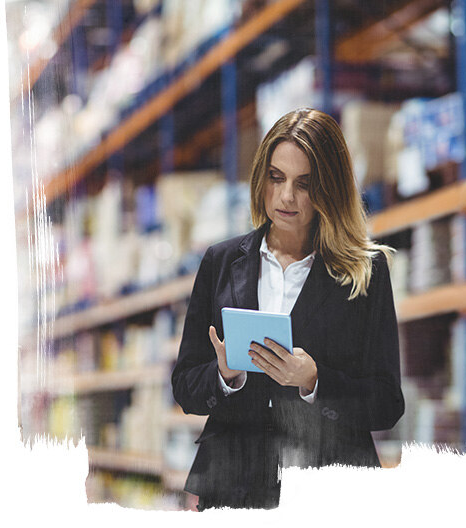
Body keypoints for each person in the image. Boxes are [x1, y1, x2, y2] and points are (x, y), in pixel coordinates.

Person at [171, 108, 405, 510]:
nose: (286, 197)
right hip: (234, 490)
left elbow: (386, 403)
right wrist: (225, 376)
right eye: (276, 178)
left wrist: (315, 381)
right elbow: (186, 387)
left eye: (305, 184)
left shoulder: (364, 272)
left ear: (329, 188)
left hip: (327, 495)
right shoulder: (220, 264)